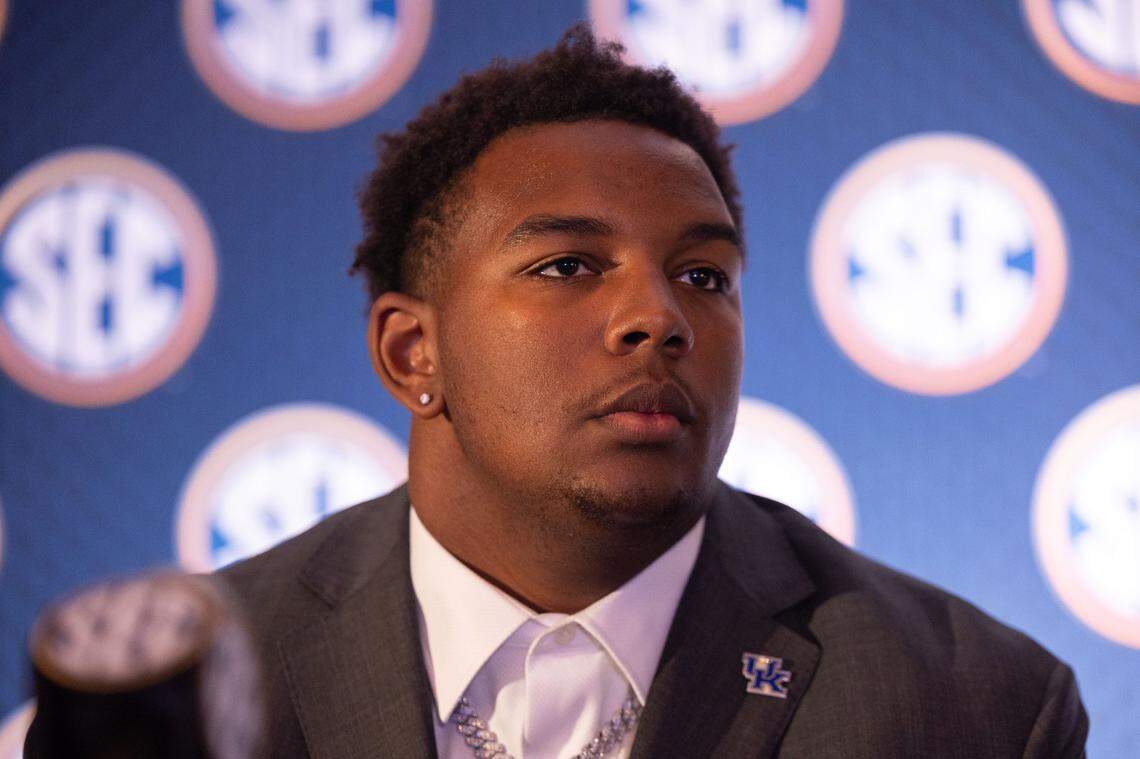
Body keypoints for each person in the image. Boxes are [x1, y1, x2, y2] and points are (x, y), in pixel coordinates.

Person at [216, 26, 1086, 759]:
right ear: (414, 354)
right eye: (568, 266)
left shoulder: (974, 704)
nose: (660, 317)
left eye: (703, 275)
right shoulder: (193, 685)